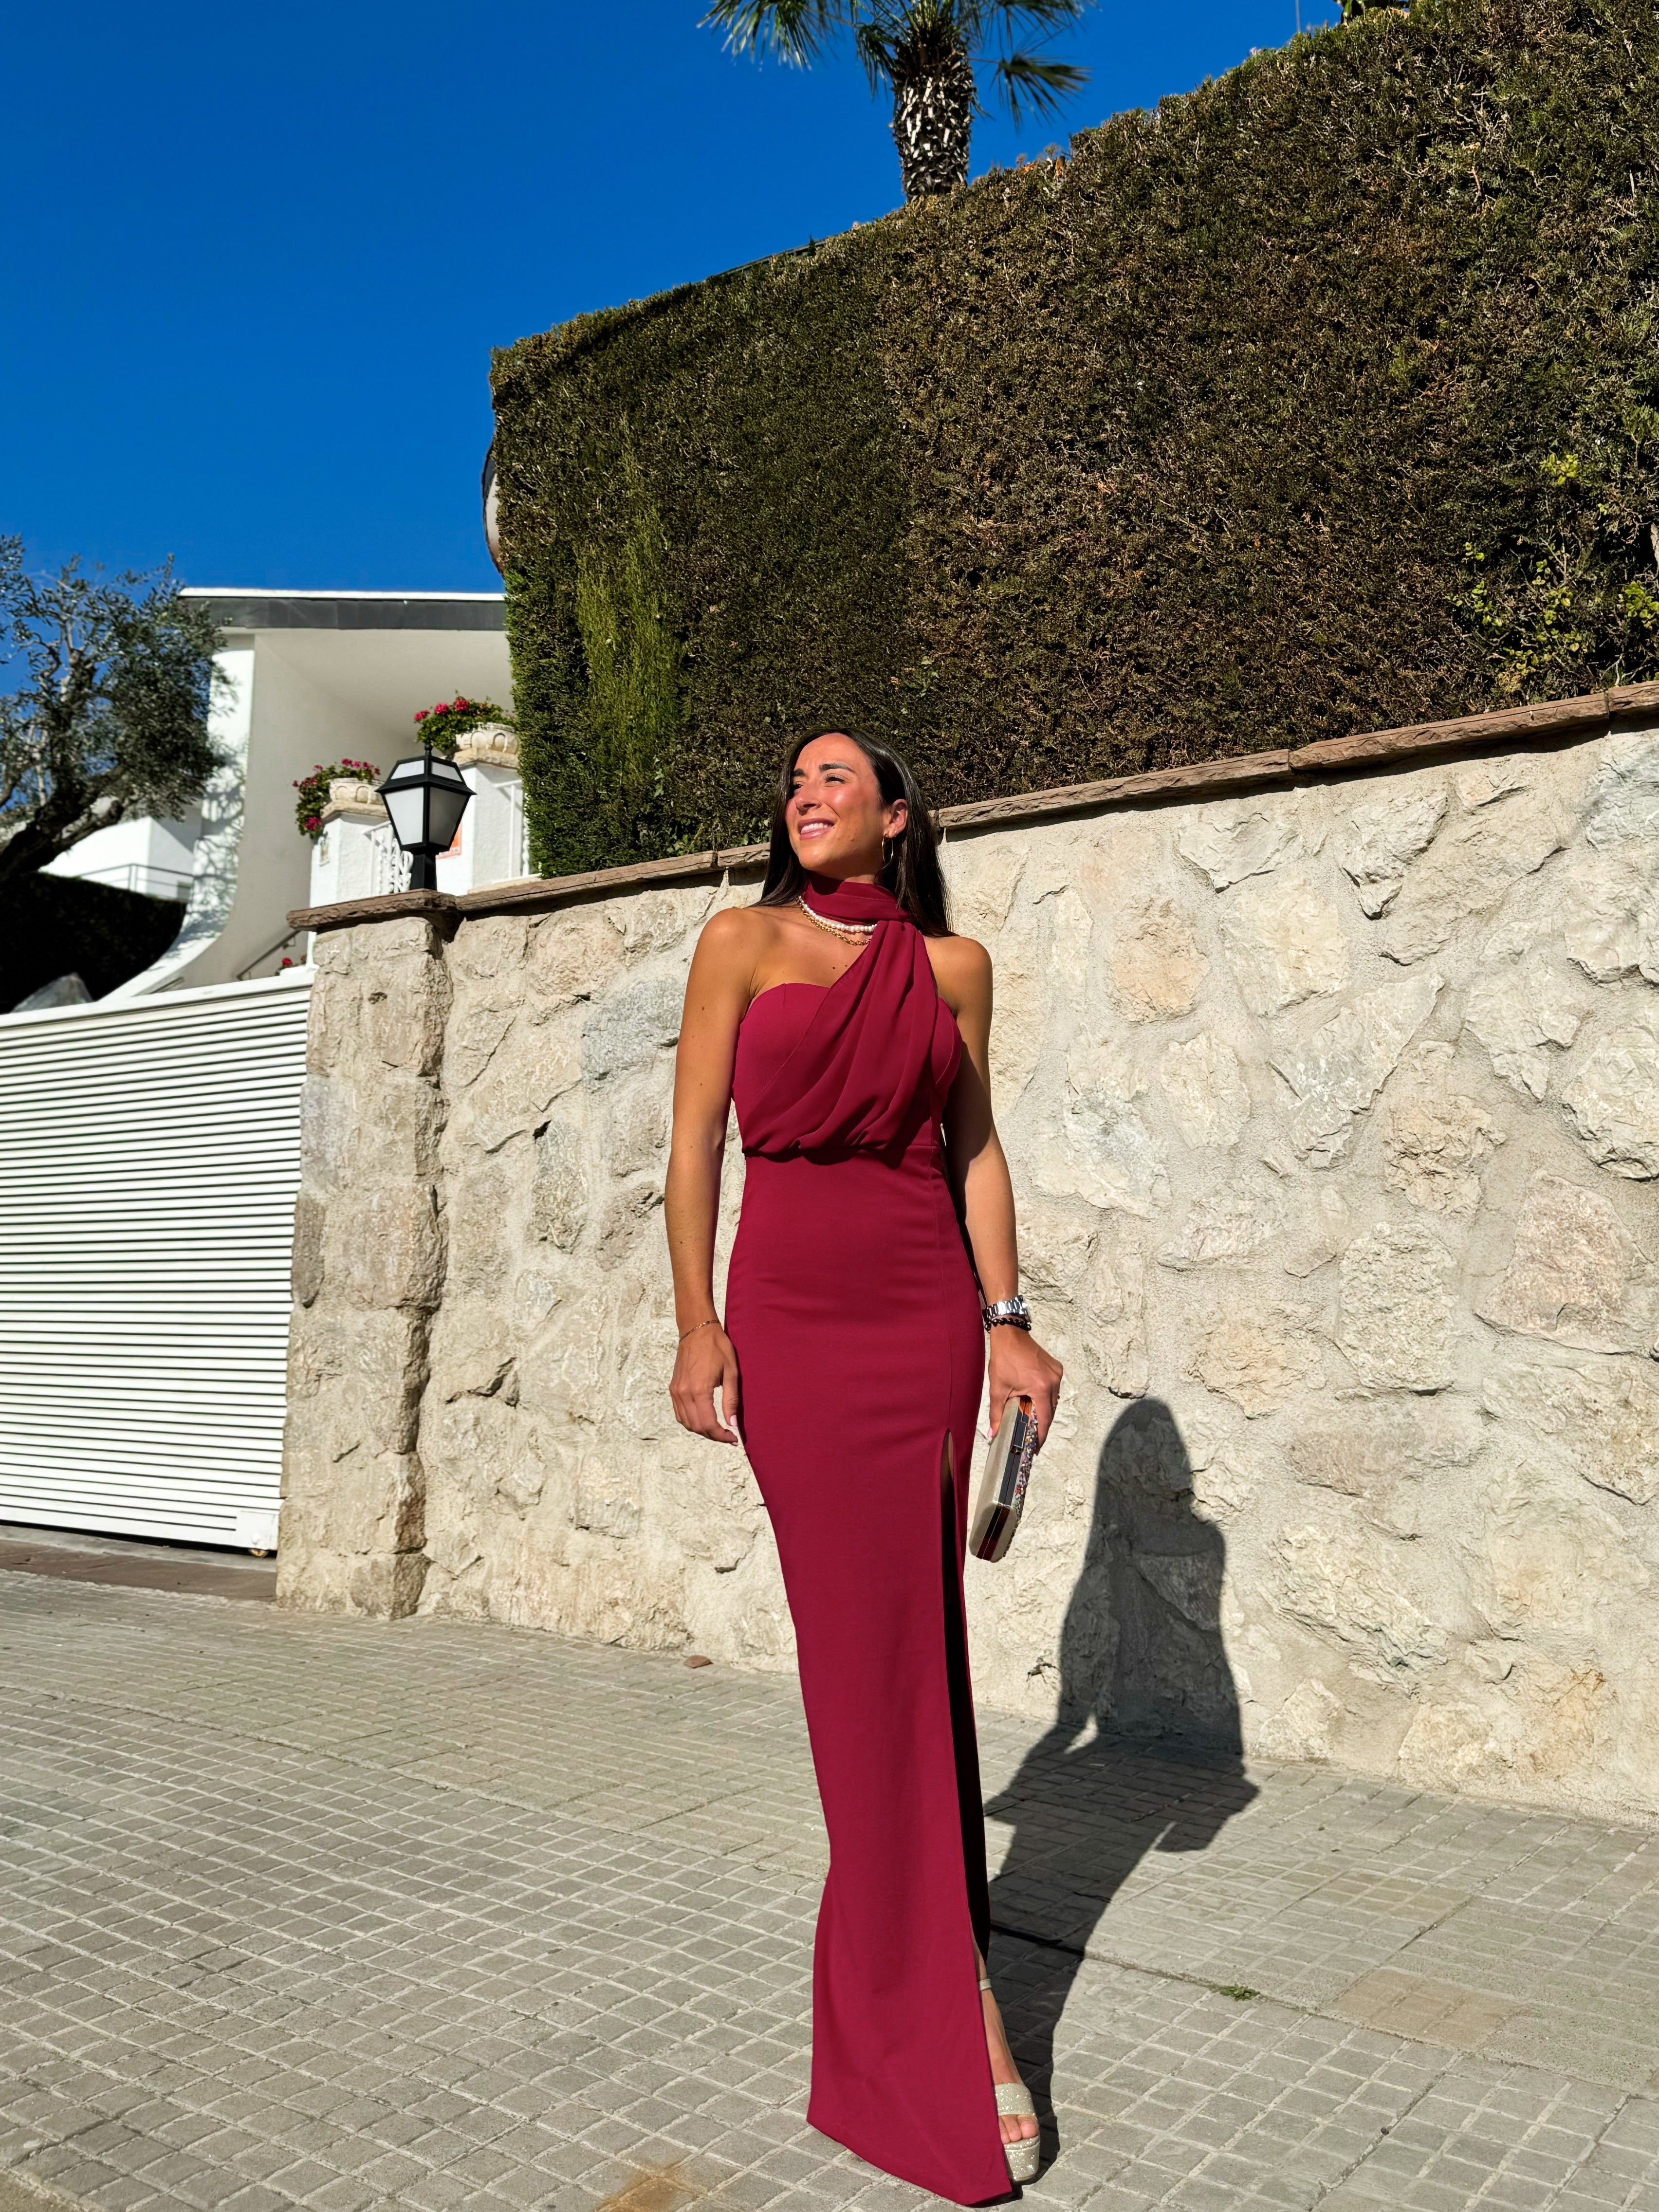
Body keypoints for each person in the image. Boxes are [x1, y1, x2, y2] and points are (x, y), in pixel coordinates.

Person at [665, 730, 1064, 2202]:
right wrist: (697, 1322)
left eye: (838, 778)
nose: (807, 795)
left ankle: (947, 1970)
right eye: (795, 781)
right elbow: (694, 1151)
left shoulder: (953, 970)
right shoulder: (740, 942)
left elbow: (974, 1152)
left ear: (897, 816)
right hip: (793, 1317)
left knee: (918, 1651)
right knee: (860, 1666)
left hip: (923, 1316)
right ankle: (938, 2003)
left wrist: (1009, 1323)